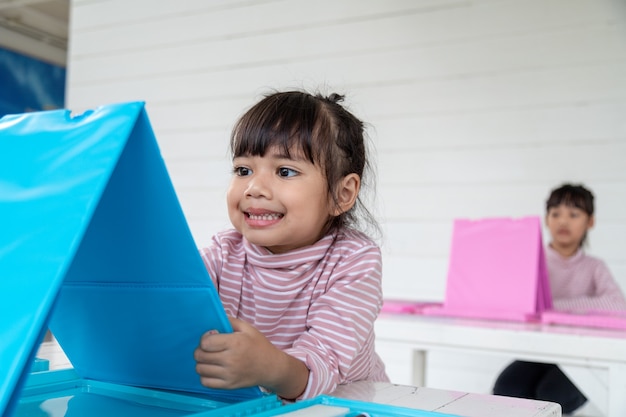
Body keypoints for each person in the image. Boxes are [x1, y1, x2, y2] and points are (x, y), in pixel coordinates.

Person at [193, 90, 389, 401]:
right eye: (243, 170)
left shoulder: (353, 260)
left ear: (343, 193)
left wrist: (268, 367)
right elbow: (172, 300)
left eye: (285, 171)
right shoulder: (223, 253)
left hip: (345, 405)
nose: (254, 188)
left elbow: (324, 367)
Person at [493, 183, 626, 414]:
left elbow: (617, 304)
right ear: (546, 219)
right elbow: (516, 303)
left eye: (574, 214)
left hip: (580, 355)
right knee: (507, 388)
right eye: (556, 214)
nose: (563, 221)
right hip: (537, 351)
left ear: (590, 222)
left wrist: (552, 309)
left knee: (553, 395)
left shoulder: (594, 267)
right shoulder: (532, 261)